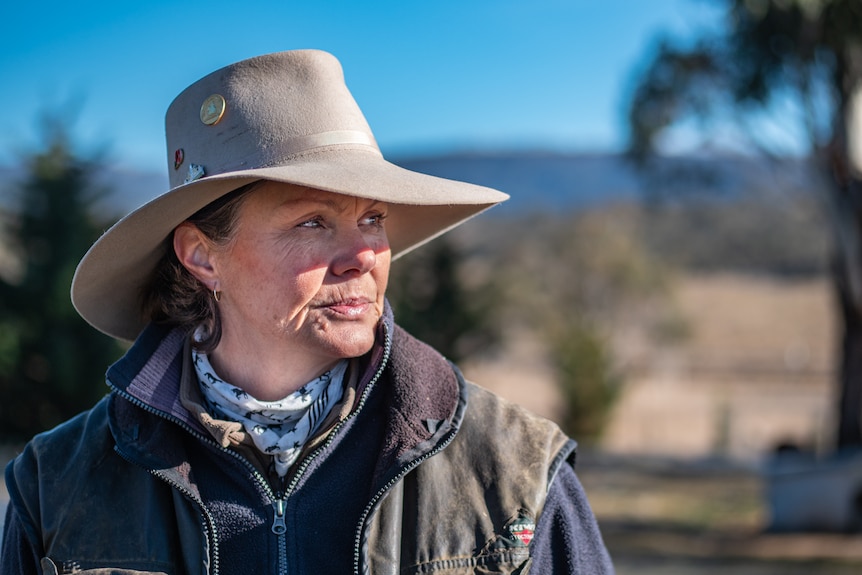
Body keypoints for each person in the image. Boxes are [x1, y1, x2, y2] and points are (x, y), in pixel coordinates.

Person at [1, 50, 614, 574]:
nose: (364, 256)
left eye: (373, 218)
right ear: (201, 257)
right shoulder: (58, 483)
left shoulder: (513, 470)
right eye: (313, 222)